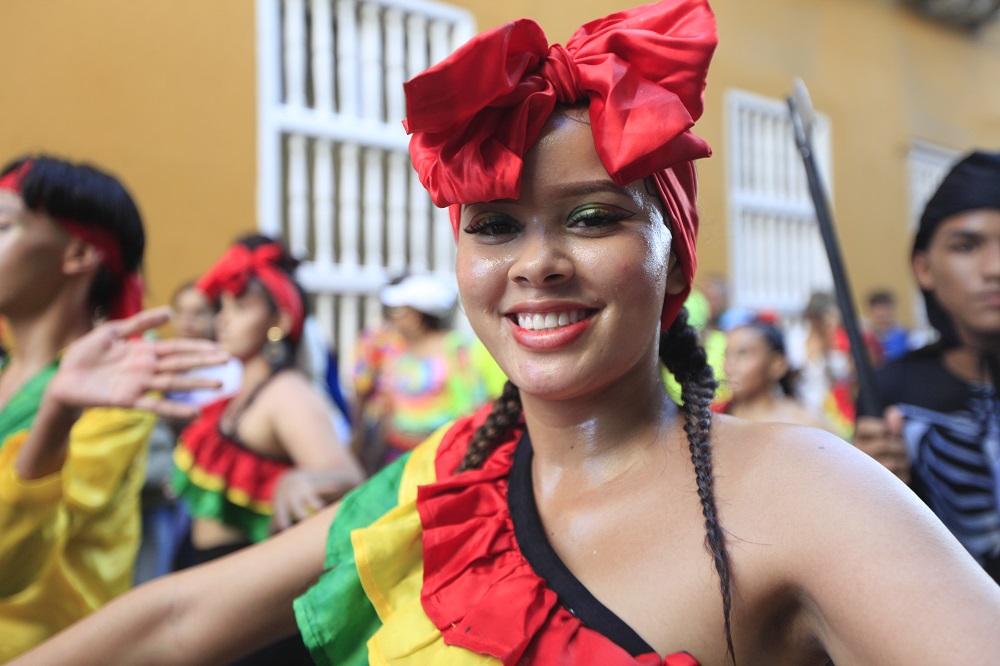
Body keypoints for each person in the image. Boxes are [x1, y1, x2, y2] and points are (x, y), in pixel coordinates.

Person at [13, 3, 1000, 665]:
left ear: (674, 262)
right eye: (494, 227)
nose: (534, 263)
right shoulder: (441, 481)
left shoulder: (801, 487)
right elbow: (179, 617)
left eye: (593, 217)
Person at [0, 155, 225, 660]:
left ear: (79, 253)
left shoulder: (114, 401)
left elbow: (8, 565)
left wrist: (56, 412)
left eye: (4, 225)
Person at [855, 150, 1000, 585]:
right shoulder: (890, 385)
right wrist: (863, 485)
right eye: (966, 246)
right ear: (924, 266)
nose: (994, 269)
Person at [718, 318, 832, 431]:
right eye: (727, 355)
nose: (729, 366)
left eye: (743, 354)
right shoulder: (714, 420)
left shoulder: (805, 423)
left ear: (777, 365)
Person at [864, 289, 911, 364]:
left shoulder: (908, 336)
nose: (881, 314)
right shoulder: (864, 340)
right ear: (870, 312)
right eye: (877, 309)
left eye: (885, 309)